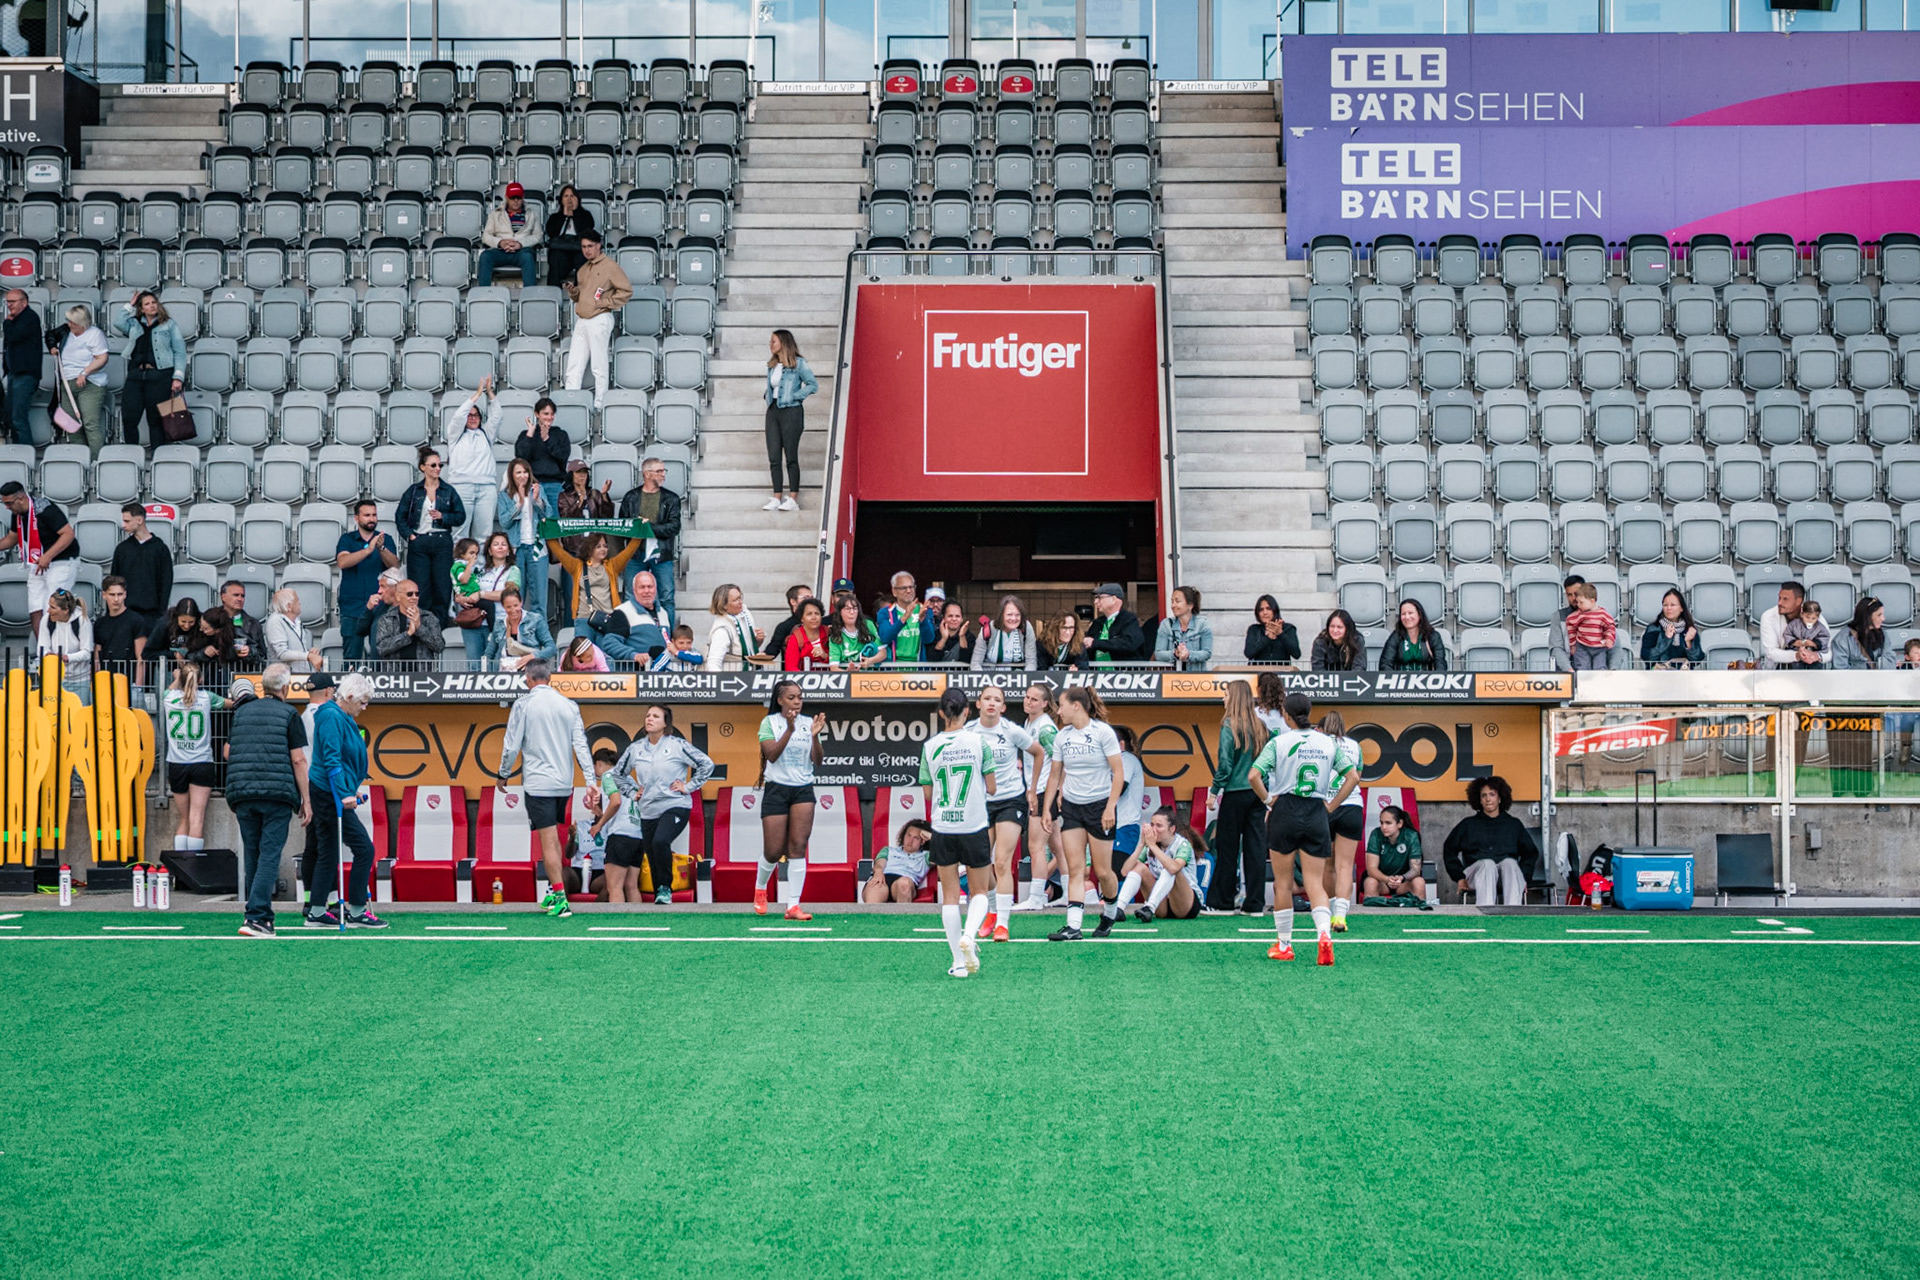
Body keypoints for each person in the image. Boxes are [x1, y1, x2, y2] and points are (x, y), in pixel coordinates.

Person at [1248, 691, 1360, 966]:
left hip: (1284, 810)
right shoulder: (1328, 743)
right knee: (1315, 883)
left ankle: (1285, 944)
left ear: (1286, 714)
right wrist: (1332, 806)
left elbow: (1254, 775)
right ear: (1309, 713)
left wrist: (1267, 800)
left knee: (1283, 883)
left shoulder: (1279, 742)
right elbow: (1353, 776)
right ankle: (1324, 935)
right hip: (1315, 811)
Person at [499, 658, 597, 918]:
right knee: (554, 837)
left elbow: (511, 745)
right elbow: (581, 745)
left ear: (528, 679)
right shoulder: (569, 705)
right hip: (564, 784)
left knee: (548, 841)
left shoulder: (523, 704)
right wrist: (590, 781)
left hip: (538, 783)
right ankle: (555, 893)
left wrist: (503, 774)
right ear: (550, 678)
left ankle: (561, 897)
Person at [225, 664, 312, 938]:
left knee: (253, 854)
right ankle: (258, 918)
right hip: (277, 794)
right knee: (270, 854)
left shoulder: (241, 713)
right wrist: (305, 800)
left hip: (242, 792)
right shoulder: (288, 714)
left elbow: (228, 751)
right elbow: (298, 759)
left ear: (263, 686)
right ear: (285, 688)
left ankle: (255, 915)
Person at [916, 688, 998, 976]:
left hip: (943, 826)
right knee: (979, 891)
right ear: (968, 712)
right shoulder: (979, 742)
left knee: (950, 896)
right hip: (974, 825)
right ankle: (970, 935)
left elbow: (927, 793)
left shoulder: (929, 746)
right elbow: (991, 787)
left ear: (941, 713)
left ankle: (958, 963)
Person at [1040, 686, 1125, 941]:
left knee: (1103, 872)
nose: (1059, 710)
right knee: (1076, 868)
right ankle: (1073, 926)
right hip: (1072, 808)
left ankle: (1109, 913)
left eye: (1062, 704)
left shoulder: (1102, 733)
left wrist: (1110, 806)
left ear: (1077, 705)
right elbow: (1055, 775)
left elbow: (1118, 773)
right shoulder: (1062, 736)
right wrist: (1047, 808)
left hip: (1100, 807)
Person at [606, 704, 714, 906]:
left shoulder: (677, 745)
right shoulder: (635, 749)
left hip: (676, 804)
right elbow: (617, 774)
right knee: (652, 852)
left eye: (656, 716)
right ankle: (660, 895)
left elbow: (706, 764)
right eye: (647, 715)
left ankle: (665, 887)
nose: (650, 719)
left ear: (665, 723)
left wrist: (689, 786)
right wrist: (631, 792)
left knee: (660, 842)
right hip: (647, 810)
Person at [306, 671, 386, 928]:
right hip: (329, 794)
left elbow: (343, 759)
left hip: (332, 792)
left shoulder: (341, 715)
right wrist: (344, 794)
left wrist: (351, 789)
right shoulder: (331, 716)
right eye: (362, 702)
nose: (365, 707)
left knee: (328, 851)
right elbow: (332, 759)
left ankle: (317, 911)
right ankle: (357, 910)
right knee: (364, 849)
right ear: (349, 696)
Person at [968, 683, 1045, 942]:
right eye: (986, 698)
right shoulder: (968, 731)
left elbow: (1038, 751)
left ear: (1003, 707)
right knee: (979, 863)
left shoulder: (1012, 731)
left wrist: (1032, 789)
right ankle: (991, 910)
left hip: (1011, 800)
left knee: (1001, 861)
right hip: (980, 802)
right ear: (978, 704)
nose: (991, 703)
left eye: (997, 699)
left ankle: (1002, 923)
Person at [754, 679, 826, 921]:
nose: (797, 701)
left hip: (803, 789)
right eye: (792, 697)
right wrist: (789, 730)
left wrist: (815, 737)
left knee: (798, 847)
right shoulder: (769, 722)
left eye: (800, 697)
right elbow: (771, 755)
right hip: (776, 789)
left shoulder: (809, 723)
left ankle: (793, 906)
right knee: (773, 851)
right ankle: (761, 888)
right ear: (780, 700)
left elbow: (818, 761)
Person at [1206, 679, 1270, 917]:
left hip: (1234, 793)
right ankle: (1254, 905)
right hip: (1257, 793)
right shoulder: (1261, 726)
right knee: (1255, 849)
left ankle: (1222, 902)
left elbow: (1225, 765)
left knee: (1227, 847)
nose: (1223, 698)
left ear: (1234, 698)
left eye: (1225, 695)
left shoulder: (1229, 725)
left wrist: (1214, 791)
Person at [162, 660, 227, 857]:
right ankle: (194, 866)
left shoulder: (168, 697)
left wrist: (175, 679)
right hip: (201, 762)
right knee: (197, 817)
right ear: (201, 679)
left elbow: (170, 689)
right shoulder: (207, 698)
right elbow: (229, 703)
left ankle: (180, 868)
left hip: (176, 764)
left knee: (184, 819)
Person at [1442, 775, 1539, 906]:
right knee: (1488, 864)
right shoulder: (1468, 824)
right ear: (1479, 800)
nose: (1488, 799)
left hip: (1507, 877)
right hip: (1477, 875)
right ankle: (1487, 916)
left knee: (1510, 863)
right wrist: (1459, 877)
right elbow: (1449, 849)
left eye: (1492, 794)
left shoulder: (1513, 824)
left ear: (1499, 798)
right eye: (1484, 795)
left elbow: (1530, 853)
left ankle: (1512, 914)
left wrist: (1524, 877)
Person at [562, 229, 631, 409]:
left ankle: (600, 404)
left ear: (599, 245)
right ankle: (572, 402)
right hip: (583, 319)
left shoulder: (610, 266)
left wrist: (606, 302)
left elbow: (626, 291)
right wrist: (573, 292)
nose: (587, 250)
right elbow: (582, 296)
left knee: (598, 365)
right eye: (584, 247)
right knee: (574, 365)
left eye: (590, 246)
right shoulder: (583, 269)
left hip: (600, 317)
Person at [1010, 683, 1063, 914]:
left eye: (1034, 699)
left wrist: (1058, 791)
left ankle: (1036, 897)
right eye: (1027, 697)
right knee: (1057, 845)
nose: (1028, 701)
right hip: (1040, 790)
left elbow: (1062, 761)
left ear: (1044, 704)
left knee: (1035, 845)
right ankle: (1070, 893)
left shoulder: (1045, 728)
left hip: (1043, 792)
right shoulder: (1029, 723)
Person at [397, 446, 465, 623]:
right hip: (419, 541)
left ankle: (439, 628)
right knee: (421, 588)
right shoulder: (414, 491)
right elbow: (400, 516)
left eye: (440, 465)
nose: (437, 469)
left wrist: (444, 517)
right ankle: (422, 627)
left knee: (442, 587)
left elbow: (460, 516)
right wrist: (409, 535)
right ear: (423, 467)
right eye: (433, 465)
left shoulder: (448, 490)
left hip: (442, 541)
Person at [0, 481, 78, 634]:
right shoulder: (18, 514)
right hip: (37, 562)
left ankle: (57, 652)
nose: (7, 507)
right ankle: (43, 651)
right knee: (35, 607)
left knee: (54, 606)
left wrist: (48, 556)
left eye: (9, 503)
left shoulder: (46, 509)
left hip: (61, 562)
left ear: (21, 498)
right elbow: (12, 538)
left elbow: (68, 534)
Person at [111, 291, 185, 449]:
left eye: (153, 302)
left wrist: (178, 377)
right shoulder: (134, 323)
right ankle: (132, 455)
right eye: (147, 304)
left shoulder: (169, 324)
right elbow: (118, 322)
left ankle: (157, 457)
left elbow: (180, 352)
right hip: (135, 376)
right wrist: (130, 304)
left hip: (160, 376)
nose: (152, 305)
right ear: (141, 309)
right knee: (129, 418)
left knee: (156, 420)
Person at [615, 456, 681, 622]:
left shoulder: (671, 498)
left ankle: (669, 638)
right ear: (647, 474)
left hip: (661, 555)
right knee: (630, 596)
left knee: (666, 598)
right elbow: (622, 526)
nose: (663, 475)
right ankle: (632, 631)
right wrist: (637, 526)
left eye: (663, 471)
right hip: (635, 554)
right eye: (659, 471)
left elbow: (674, 527)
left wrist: (647, 528)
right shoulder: (631, 497)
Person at [336, 499, 400, 665]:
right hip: (352, 606)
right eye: (367, 515)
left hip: (380, 606)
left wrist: (381, 548)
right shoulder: (347, 539)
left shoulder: (386, 539)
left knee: (381, 657)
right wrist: (368, 550)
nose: (372, 519)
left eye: (374, 515)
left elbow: (395, 566)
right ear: (356, 518)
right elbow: (343, 562)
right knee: (352, 658)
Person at [1319, 710, 1366, 933]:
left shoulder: (1319, 743)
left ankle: (1328, 911)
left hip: (1327, 805)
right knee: (1345, 866)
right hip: (1352, 805)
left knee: (1328, 866)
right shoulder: (1355, 746)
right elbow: (1358, 775)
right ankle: (1341, 915)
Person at [763, 328, 819, 512]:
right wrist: (768, 395)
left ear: (784, 343)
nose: (771, 344)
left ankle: (793, 497)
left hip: (791, 412)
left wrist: (796, 396)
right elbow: (772, 387)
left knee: (791, 456)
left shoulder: (798, 364)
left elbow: (813, 385)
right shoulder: (772, 365)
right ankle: (777, 496)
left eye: (774, 341)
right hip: (773, 410)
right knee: (774, 456)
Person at [553, 459, 614, 630]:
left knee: (597, 594)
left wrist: (604, 496)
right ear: (571, 475)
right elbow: (566, 520)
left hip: (594, 553)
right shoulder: (564, 496)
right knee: (572, 595)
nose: (582, 476)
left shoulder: (593, 494)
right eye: (578, 473)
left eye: (585, 473)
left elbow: (606, 517)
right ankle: (571, 635)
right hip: (573, 552)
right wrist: (579, 500)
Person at [1116, 807, 1204, 922]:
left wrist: (1152, 845)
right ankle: (1118, 909)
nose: (1154, 829)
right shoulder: (1150, 846)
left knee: (1170, 868)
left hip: (1186, 905)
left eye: (1159, 826)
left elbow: (1173, 868)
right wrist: (1141, 845)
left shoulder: (1182, 845)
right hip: (1162, 904)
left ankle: (1149, 908)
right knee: (1139, 867)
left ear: (1172, 829)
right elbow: (1124, 872)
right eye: (1152, 825)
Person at [443, 375, 501, 544]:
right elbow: (458, 417)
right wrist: (476, 395)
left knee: (484, 536)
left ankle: (481, 570)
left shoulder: (486, 434)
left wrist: (489, 393)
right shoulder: (455, 436)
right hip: (461, 488)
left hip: (486, 488)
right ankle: (459, 570)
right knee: (459, 535)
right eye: (470, 415)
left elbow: (497, 416)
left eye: (476, 415)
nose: (473, 418)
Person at [546, 530, 641, 633]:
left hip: (607, 619)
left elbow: (629, 550)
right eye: (598, 546)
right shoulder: (577, 566)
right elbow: (557, 550)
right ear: (589, 549)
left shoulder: (612, 566)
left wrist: (640, 528)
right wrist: (547, 527)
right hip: (583, 620)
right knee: (584, 649)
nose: (603, 549)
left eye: (605, 546)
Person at [48, 304, 109, 455]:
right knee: (71, 425)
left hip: (89, 384)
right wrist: (51, 347)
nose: (69, 324)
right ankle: (80, 459)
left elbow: (102, 358)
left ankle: (96, 461)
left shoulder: (95, 334)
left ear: (82, 323)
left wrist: (85, 372)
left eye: (73, 322)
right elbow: (49, 335)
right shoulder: (65, 331)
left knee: (90, 423)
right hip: (66, 383)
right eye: (68, 321)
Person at [296, 671, 335, 901]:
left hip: (309, 785)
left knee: (313, 845)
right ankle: (323, 900)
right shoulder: (325, 715)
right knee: (325, 847)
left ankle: (312, 899)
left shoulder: (303, 716)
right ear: (329, 691)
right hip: (321, 786)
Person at [497, 458, 551, 618]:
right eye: (518, 472)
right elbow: (504, 522)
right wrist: (519, 503)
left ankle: (539, 634)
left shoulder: (538, 490)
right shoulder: (504, 495)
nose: (522, 476)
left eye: (525, 472)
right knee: (515, 594)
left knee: (539, 595)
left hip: (537, 547)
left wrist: (536, 500)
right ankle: (517, 633)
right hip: (516, 548)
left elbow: (548, 516)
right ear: (511, 475)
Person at [110, 503, 172, 635]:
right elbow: (114, 581)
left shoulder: (160, 548)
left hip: (152, 614)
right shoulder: (122, 549)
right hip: (126, 612)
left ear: (139, 520)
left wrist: (161, 611)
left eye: (127, 521)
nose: (123, 525)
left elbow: (166, 582)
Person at [514, 398, 571, 518]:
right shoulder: (526, 434)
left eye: (552, 414)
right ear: (537, 414)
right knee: (532, 521)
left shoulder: (560, 434)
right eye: (546, 413)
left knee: (553, 524)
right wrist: (530, 434)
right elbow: (520, 458)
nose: (549, 417)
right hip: (531, 484)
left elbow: (563, 457)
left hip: (554, 484)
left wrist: (547, 439)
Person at [478, 181, 542, 285]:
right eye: (513, 198)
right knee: (485, 256)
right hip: (500, 251)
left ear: (523, 197)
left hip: (522, 251)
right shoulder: (495, 214)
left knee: (528, 257)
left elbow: (538, 236)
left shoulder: (532, 214)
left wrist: (520, 244)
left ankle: (529, 296)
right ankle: (483, 295)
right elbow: (486, 236)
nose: (516, 201)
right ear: (507, 197)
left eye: (519, 197)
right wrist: (500, 242)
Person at [3, 288, 43, 446]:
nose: (9, 305)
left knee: (18, 418)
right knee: (12, 417)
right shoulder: (18, 319)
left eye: (12, 302)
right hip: (15, 374)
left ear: (24, 303)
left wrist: (6, 322)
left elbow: (13, 337)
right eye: (7, 302)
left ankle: (25, 453)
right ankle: (17, 451)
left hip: (25, 375)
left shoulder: (29, 318)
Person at [375, 578, 446, 665]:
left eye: (417, 594)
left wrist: (419, 628)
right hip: (394, 675)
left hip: (423, 674)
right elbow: (381, 648)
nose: (414, 597)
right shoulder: (387, 619)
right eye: (409, 594)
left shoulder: (428, 617)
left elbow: (439, 646)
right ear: (398, 596)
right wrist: (408, 634)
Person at [486, 586, 557, 672]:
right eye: (508, 607)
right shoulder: (499, 624)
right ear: (503, 606)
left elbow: (552, 648)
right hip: (504, 672)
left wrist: (533, 656)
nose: (513, 610)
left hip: (531, 670)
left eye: (516, 605)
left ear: (521, 602)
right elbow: (489, 654)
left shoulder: (535, 620)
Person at [864, 818, 935, 904]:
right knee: (875, 885)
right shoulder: (889, 850)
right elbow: (879, 864)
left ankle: (901, 917)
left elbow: (946, 855)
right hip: (883, 877)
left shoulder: (925, 856)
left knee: (904, 884)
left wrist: (932, 837)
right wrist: (878, 872)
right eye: (908, 835)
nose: (910, 841)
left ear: (923, 841)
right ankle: (872, 916)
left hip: (905, 882)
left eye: (916, 838)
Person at [1363, 805, 1426, 901]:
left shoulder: (1411, 836)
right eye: (1381, 823)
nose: (1383, 827)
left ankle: (1419, 915)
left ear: (1399, 823)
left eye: (1388, 823)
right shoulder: (1376, 834)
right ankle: (1371, 915)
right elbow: (1371, 869)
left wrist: (1402, 878)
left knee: (1419, 882)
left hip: (1403, 882)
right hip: (1382, 881)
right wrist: (1387, 879)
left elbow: (1416, 869)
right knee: (1370, 882)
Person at [1082, 583, 1147, 668]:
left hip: (1123, 675)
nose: (1095, 602)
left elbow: (1129, 644)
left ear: (1113, 599)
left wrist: (1095, 643)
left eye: (1099, 597)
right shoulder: (1098, 623)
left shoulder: (1129, 620)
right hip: (1097, 675)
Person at [140, 598, 201, 688]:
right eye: (183, 621)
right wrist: (173, 655)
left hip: (194, 673)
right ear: (177, 617)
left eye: (191, 622)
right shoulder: (163, 624)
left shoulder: (201, 623)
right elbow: (147, 653)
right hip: (168, 674)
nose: (187, 626)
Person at [1111, 724, 1147, 874]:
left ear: (1121, 744)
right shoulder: (1113, 762)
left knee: (1119, 871)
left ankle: (1122, 899)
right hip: (1114, 827)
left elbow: (1119, 788)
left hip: (1124, 826)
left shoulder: (1126, 759)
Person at [544, 184, 595, 287]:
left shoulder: (586, 215)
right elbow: (552, 234)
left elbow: (587, 232)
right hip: (561, 249)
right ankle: (553, 293)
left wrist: (575, 213)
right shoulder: (554, 217)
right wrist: (564, 216)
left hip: (578, 248)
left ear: (577, 199)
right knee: (555, 257)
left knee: (584, 256)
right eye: (566, 196)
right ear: (561, 200)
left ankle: (580, 293)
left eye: (572, 196)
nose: (569, 199)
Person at [1640, 589, 1705, 669]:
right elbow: (1647, 657)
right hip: (1658, 676)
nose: (1668, 608)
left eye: (1673, 605)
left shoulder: (1689, 629)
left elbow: (1697, 660)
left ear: (1681, 608)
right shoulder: (1654, 628)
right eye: (1665, 605)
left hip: (1684, 676)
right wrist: (1666, 639)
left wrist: (1688, 644)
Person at [1760, 581, 1818, 670]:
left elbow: (1828, 652)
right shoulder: (1768, 616)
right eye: (1779, 598)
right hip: (1778, 669)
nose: (1779, 603)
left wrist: (1815, 655)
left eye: (1785, 599)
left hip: (1811, 666)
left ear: (1798, 601)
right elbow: (1771, 652)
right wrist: (1797, 655)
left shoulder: (1814, 616)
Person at [36, 589, 91, 682]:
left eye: (52, 607)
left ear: (66, 610)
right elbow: (41, 648)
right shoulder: (46, 620)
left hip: (80, 679)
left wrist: (67, 657)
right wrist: (47, 654)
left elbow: (87, 652)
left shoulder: (82, 620)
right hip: (54, 678)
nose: (48, 611)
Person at [876, 572, 933, 662]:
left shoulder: (924, 610)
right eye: (904, 588)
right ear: (894, 591)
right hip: (894, 669)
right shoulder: (885, 612)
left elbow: (929, 639)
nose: (909, 591)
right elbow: (885, 638)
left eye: (911, 587)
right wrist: (904, 619)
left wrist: (923, 621)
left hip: (918, 668)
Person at [1152, 585, 1212, 670]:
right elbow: (1158, 654)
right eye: (1172, 601)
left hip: (1197, 678)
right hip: (1172, 679)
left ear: (1190, 605)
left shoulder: (1202, 624)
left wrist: (1188, 654)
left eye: (1177, 601)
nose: (1173, 605)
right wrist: (1175, 653)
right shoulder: (1166, 625)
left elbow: (1207, 653)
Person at [707, 583, 764, 671]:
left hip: (751, 675)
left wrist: (758, 640)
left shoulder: (746, 615)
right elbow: (713, 662)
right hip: (734, 678)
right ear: (724, 605)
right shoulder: (721, 629)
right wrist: (721, 683)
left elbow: (748, 648)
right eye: (735, 600)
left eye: (740, 597)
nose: (740, 602)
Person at [1379, 599, 1448, 672]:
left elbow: (1440, 663)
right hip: (1401, 681)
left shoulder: (1433, 636)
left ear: (1419, 615)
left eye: (1410, 613)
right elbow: (1385, 663)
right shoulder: (1396, 636)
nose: (1407, 617)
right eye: (1403, 614)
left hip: (1426, 681)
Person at [973, 595, 1038, 671]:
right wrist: (983, 680)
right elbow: (975, 663)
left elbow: (1031, 661)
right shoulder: (988, 629)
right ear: (1001, 615)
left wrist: (1026, 679)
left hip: (1018, 677)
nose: (1014, 618)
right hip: (990, 677)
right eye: (1009, 614)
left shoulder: (1026, 627)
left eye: (1017, 615)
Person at [263, 589, 322, 673]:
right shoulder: (275, 621)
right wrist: (308, 656)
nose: (300, 603)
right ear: (289, 606)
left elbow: (296, 650)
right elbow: (282, 653)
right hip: (283, 677)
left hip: (301, 675)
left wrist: (309, 652)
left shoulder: (297, 621)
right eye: (297, 601)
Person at [93, 577, 142, 673]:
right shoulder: (100, 624)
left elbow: (141, 658)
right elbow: (97, 657)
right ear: (104, 595)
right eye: (112, 595)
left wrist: (138, 686)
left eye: (119, 594)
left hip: (128, 680)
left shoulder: (136, 620)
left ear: (125, 595)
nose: (116, 599)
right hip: (105, 679)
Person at [216, 579, 266, 672]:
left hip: (243, 677)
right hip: (215, 677)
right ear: (223, 597)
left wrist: (249, 652)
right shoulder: (211, 619)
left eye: (242, 596)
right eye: (236, 595)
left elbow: (262, 655)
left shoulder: (253, 624)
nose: (240, 599)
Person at [1831, 597, 1894, 670]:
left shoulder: (1883, 634)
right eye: (1879, 615)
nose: (1883, 618)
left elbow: (1890, 661)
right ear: (1867, 616)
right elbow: (1840, 669)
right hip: (1854, 680)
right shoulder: (1843, 638)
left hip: (1878, 680)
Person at [1565, 582, 1617, 670]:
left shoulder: (1603, 614)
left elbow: (1610, 627)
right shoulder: (1578, 614)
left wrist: (1609, 639)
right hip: (1582, 646)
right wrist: (1573, 644)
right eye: (1577, 602)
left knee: (1599, 668)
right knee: (1582, 668)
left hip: (1599, 647)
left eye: (1581, 602)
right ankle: (1582, 683)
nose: (1578, 605)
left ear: (1592, 601)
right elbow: (1570, 624)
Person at [829, 593, 885, 669]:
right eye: (847, 609)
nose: (852, 612)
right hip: (847, 678)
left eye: (855, 608)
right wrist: (849, 674)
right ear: (840, 612)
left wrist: (870, 661)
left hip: (870, 677)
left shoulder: (868, 625)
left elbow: (883, 652)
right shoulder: (835, 636)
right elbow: (834, 667)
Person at [763, 584, 817, 662]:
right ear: (793, 601)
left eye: (812, 598)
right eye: (806, 598)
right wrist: (761, 656)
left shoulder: (819, 623)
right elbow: (773, 649)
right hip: (792, 672)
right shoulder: (784, 627)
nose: (811, 601)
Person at [1244, 594, 1302, 665]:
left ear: (1274, 610)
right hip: (1259, 673)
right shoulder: (1254, 629)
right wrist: (1267, 638)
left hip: (1282, 673)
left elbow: (1296, 654)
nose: (1265, 613)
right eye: (1261, 610)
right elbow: (1248, 653)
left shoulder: (1288, 628)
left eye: (1268, 608)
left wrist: (1280, 634)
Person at [1549, 573, 1587, 671]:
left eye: (1576, 593)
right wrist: (1569, 670)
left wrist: (1613, 669)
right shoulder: (1558, 617)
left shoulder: (1599, 614)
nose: (1574, 598)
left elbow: (1615, 648)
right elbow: (1556, 648)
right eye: (1570, 595)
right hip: (1568, 672)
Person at [782, 596, 830, 671]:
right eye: (809, 614)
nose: (814, 617)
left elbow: (840, 660)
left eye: (817, 613)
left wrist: (825, 656)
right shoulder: (796, 638)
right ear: (802, 618)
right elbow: (791, 668)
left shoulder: (829, 633)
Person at [1784, 599, 1830, 669]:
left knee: (1815, 667)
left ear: (1818, 617)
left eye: (1813, 618)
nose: (1810, 620)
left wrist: (1814, 644)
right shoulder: (1794, 624)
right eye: (1807, 617)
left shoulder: (1820, 627)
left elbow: (1825, 638)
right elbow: (1787, 634)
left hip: (1813, 653)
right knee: (1795, 666)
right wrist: (1795, 642)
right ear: (1802, 614)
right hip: (1797, 651)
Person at [926, 600, 973, 665]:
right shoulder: (935, 635)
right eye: (950, 616)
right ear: (943, 618)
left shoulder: (969, 636)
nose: (954, 619)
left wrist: (962, 636)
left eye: (957, 616)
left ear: (962, 619)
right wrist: (943, 639)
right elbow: (931, 659)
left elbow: (967, 660)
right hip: (940, 675)